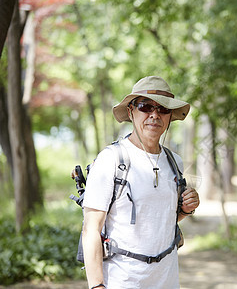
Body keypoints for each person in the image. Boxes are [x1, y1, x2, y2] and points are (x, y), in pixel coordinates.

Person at [82, 76, 200, 289]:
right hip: (122, 280)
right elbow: (91, 229)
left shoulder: (175, 162)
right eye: (146, 107)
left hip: (167, 279)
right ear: (131, 111)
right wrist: (97, 286)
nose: (154, 115)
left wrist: (186, 209)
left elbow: (162, 220)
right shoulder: (111, 160)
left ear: (170, 116)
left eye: (163, 109)